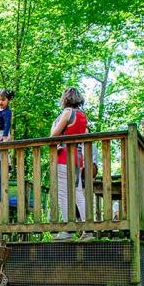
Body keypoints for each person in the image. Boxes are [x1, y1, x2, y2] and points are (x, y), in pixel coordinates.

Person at [50, 87, 89, 240]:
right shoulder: (82, 115)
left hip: (64, 156)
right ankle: (88, 229)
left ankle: (67, 230)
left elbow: (54, 135)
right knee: (78, 192)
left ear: (65, 99)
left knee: (63, 194)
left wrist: (55, 124)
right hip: (77, 157)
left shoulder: (67, 113)